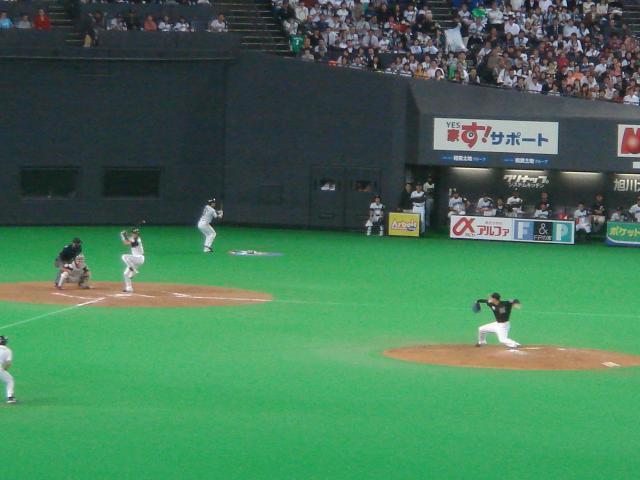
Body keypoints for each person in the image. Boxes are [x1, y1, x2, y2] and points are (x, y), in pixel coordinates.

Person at [120, 228, 144, 293]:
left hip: (139, 258)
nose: (134, 234)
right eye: (134, 233)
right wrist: (124, 235)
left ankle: (133, 270)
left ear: (138, 234)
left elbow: (126, 243)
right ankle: (129, 288)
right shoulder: (133, 238)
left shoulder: (138, 240)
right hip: (135, 259)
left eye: (136, 233)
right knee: (125, 274)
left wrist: (123, 237)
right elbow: (128, 240)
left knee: (124, 256)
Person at [0, 336, 15, 404]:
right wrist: (4, 369)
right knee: (10, 380)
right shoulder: (8, 350)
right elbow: (8, 363)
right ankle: (10, 398)